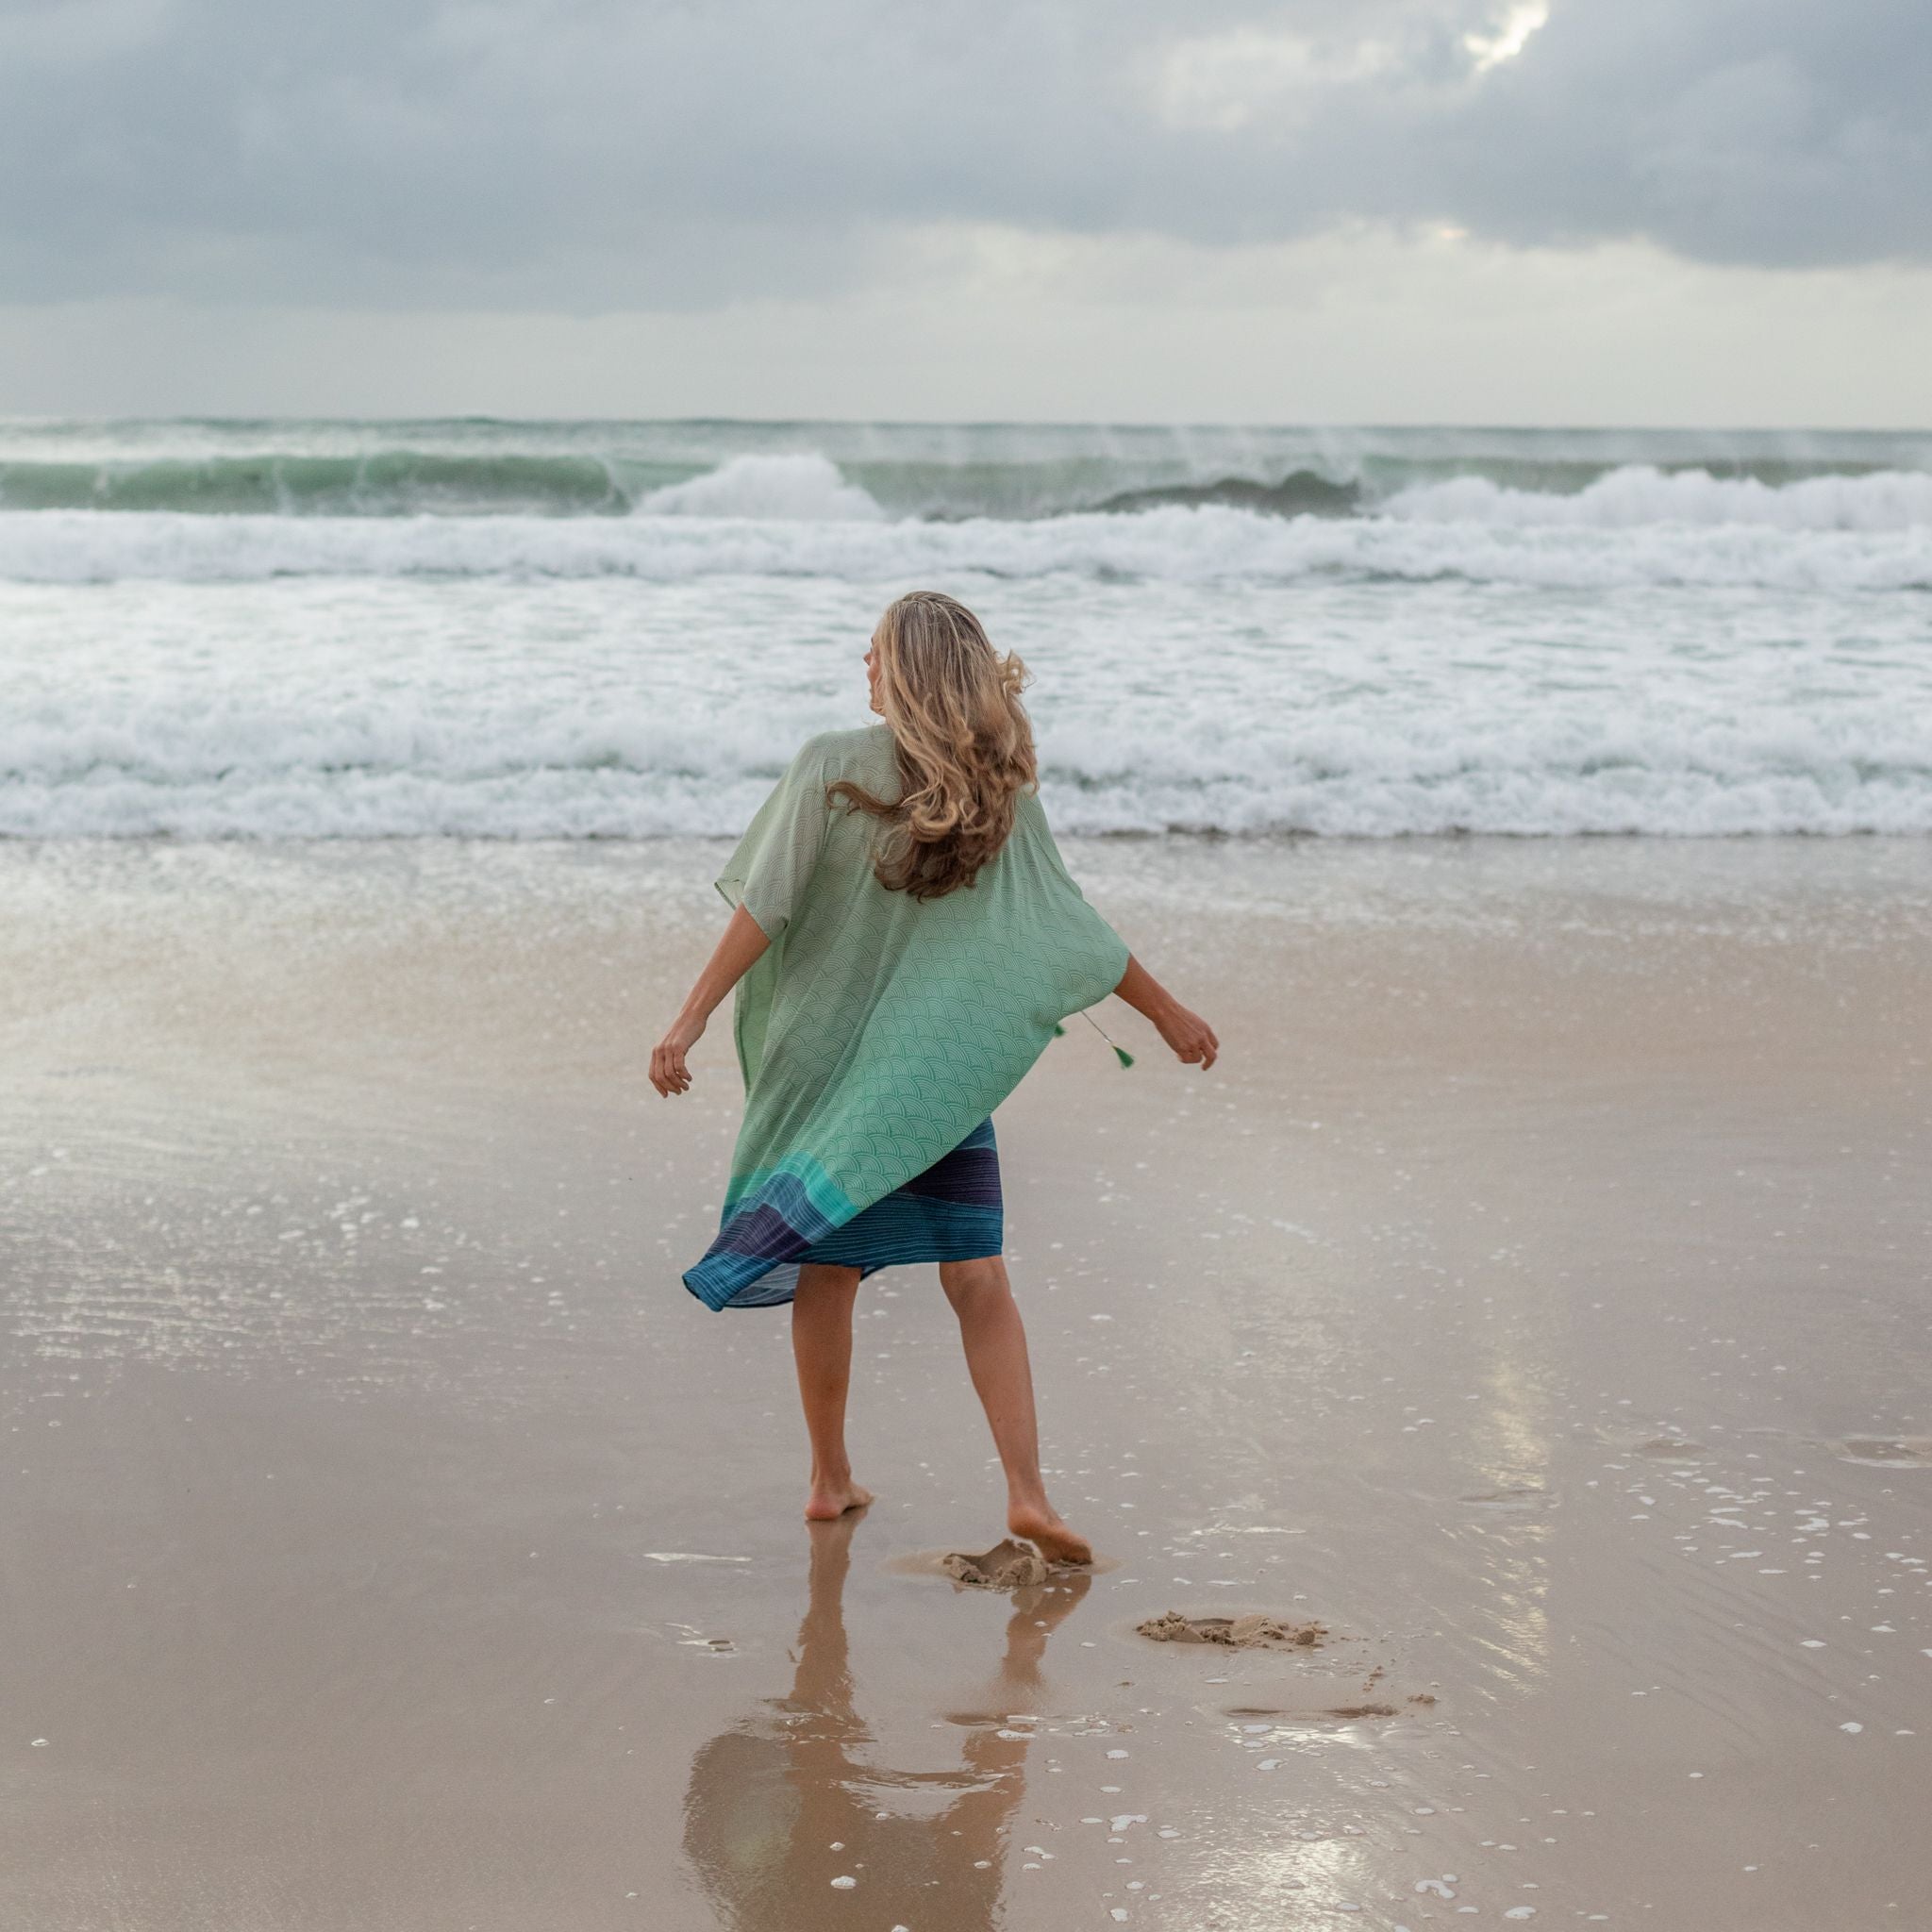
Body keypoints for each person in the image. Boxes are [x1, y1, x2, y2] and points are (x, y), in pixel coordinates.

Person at [652, 591, 1218, 1561]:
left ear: (905, 667)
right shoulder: (1000, 788)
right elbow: (1065, 924)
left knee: (829, 1269)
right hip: (933, 1084)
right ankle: (1026, 1493)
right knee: (977, 1275)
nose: (860, 665)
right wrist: (1163, 1012)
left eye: (872, 652)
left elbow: (766, 904)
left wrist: (693, 1011)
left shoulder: (833, 764)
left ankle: (828, 1480)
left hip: (831, 1078)